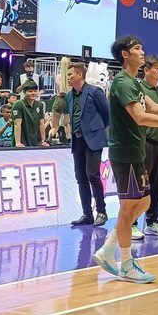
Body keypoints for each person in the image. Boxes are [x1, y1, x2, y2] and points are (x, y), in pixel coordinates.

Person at [93, 36, 158, 284]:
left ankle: (109, 248)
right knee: (129, 207)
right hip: (125, 152)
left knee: (144, 202)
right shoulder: (122, 83)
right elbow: (140, 117)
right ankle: (126, 264)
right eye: (137, 48)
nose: (142, 52)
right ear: (125, 54)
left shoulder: (134, 83)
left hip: (136, 152)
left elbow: (151, 107)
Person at [52, 62, 109, 227]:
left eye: (70, 74)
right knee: (80, 177)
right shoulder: (69, 96)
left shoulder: (95, 91)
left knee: (93, 175)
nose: (68, 77)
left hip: (93, 138)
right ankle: (87, 214)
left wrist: (95, 129)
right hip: (77, 140)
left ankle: (101, 211)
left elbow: (106, 114)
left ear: (80, 75)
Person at [132, 55, 158, 240]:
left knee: (157, 184)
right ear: (146, 70)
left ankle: (152, 221)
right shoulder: (139, 88)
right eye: (156, 68)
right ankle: (132, 223)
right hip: (144, 142)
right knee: (140, 185)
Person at [12, 81, 48, 148]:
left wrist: (43, 140)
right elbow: (17, 124)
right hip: (23, 142)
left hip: (36, 142)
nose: (33, 93)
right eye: (30, 91)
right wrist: (18, 142)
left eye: (35, 91)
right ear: (24, 92)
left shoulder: (40, 104)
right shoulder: (18, 104)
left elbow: (41, 124)